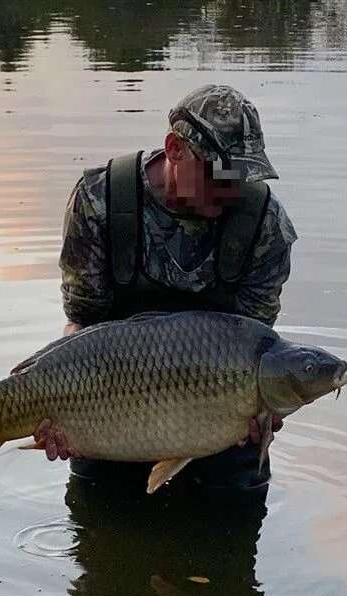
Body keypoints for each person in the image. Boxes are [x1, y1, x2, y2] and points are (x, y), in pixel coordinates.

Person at [37, 83, 297, 490]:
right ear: (175, 149)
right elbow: (82, 324)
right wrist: (57, 403)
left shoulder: (265, 223)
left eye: (241, 176)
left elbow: (258, 344)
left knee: (233, 531)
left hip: (219, 429)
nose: (231, 190)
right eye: (217, 173)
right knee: (98, 540)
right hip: (108, 415)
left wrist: (266, 407)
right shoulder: (99, 200)